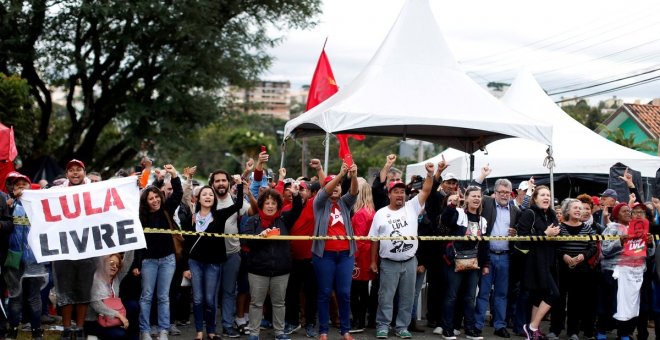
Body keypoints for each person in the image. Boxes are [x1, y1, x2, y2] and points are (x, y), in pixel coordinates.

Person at [369, 162, 433, 340]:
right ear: (389, 194)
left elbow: (426, 191)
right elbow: (374, 239)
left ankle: (402, 327)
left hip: (410, 261)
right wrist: (373, 261)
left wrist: (430, 174)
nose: (400, 194)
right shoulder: (380, 213)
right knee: (386, 297)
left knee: (407, 297)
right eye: (396, 191)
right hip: (388, 262)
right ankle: (383, 325)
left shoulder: (412, 206)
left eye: (402, 192)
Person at [183, 179, 243, 340]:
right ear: (198, 198)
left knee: (210, 299)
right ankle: (199, 332)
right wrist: (185, 266)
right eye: (204, 194)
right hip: (195, 262)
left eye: (211, 194)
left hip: (213, 264)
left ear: (214, 199)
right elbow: (186, 243)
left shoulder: (220, 215)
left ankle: (211, 330)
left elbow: (238, 206)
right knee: (197, 298)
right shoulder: (191, 218)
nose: (208, 196)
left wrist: (241, 185)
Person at [242, 184, 303, 340]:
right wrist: (260, 236)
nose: (270, 206)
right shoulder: (253, 221)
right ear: (261, 204)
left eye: (273, 203)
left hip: (281, 270)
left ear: (278, 205)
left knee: (279, 303)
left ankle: (279, 333)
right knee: (256, 303)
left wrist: (296, 195)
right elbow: (245, 242)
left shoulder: (284, 219)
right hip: (257, 269)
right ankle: (254, 334)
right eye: (267, 203)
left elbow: (297, 210)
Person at [134, 164, 182, 340]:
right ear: (145, 202)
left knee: (163, 296)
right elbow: (138, 244)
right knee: (146, 297)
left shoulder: (166, 210)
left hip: (168, 260)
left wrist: (174, 174)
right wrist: (137, 264)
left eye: (157, 197)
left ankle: (163, 330)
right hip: (148, 261)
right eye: (151, 198)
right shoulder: (141, 217)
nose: (155, 200)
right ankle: (145, 330)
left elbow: (178, 193)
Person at [312, 162, 359, 340]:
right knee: (324, 292)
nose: (336, 188)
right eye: (333, 185)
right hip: (324, 255)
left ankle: (345, 330)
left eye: (339, 185)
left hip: (346, 255)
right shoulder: (320, 202)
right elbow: (325, 191)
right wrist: (340, 175)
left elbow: (354, 192)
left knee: (344, 293)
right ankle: (323, 331)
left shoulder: (345, 203)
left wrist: (353, 176)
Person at [52, 159, 97, 340]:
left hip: (87, 248)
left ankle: (79, 328)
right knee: (65, 289)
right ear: (66, 174)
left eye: (79, 169)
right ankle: (66, 328)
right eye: (71, 170)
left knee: (83, 289)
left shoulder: (95, 191)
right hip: (63, 248)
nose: (75, 173)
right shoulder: (56, 192)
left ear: (84, 172)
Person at [439, 185, 489, 340]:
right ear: (466, 198)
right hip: (455, 261)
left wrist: (486, 264)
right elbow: (446, 220)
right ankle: (447, 329)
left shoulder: (483, 220)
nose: (476, 199)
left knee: (469, 298)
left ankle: (469, 329)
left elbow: (484, 245)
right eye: (473, 196)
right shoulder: (459, 213)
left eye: (478, 196)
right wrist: (452, 204)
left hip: (473, 264)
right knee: (451, 296)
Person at [3, 172, 48, 340]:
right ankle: (12, 329)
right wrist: (8, 206)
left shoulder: (38, 205)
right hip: (13, 258)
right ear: (12, 188)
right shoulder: (7, 204)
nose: (21, 186)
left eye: (24, 183)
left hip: (34, 258)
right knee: (15, 297)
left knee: (34, 297)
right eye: (17, 184)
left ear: (30, 187)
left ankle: (37, 331)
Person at [284, 159, 325, 338]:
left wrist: (320, 169)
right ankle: (292, 322)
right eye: (296, 188)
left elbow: (326, 188)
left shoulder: (313, 205)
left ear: (310, 192)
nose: (299, 191)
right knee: (291, 293)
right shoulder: (286, 208)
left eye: (302, 188)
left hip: (311, 258)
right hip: (291, 258)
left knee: (311, 293)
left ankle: (310, 323)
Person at [474, 178, 520, 339]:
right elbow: (474, 191)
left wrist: (517, 233)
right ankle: (477, 325)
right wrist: (481, 176)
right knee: (483, 293)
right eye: (501, 192)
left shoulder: (515, 211)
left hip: (506, 257)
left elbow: (520, 231)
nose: (504, 195)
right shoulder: (487, 203)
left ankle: (499, 325)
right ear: (495, 193)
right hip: (488, 256)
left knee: (502, 294)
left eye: (507, 192)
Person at [546, 199, 597, 340]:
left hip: (581, 270)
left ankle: (573, 331)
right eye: (575, 207)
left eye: (580, 208)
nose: (578, 210)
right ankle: (555, 330)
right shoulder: (559, 227)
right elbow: (555, 246)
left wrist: (583, 255)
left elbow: (593, 246)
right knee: (559, 300)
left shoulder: (587, 228)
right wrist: (564, 255)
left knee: (576, 301)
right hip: (562, 269)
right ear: (567, 210)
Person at [516, 185, 560, 340]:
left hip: (549, 260)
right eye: (542, 195)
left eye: (548, 195)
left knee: (539, 296)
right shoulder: (529, 213)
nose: (546, 197)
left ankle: (534, 331)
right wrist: (544, 234)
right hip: (534, 261)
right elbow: (522, 237)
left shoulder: (552, 214)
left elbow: (554, 237)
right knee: (554, 294)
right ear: (535, 198)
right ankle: (531, 326)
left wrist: (555, 234)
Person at [85, 252, 135, 340]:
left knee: (134, 306)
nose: (114, 266)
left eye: (117, 265)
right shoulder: (96, 277)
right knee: (120, 334)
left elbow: (127, 261)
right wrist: (118, 315)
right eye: (111, 263)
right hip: (96, 320)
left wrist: (133, 243)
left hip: (112, 318)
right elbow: (96, 304)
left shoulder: (116, 277)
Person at [349, 178, 376, 334]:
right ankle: (362, 320)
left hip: (360, 256)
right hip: (368, 254)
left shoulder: (360, 214)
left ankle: (358, 321)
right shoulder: (371, 210)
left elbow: (359, 239)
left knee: (355, 290)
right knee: (363, 290)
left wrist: (353, 257)